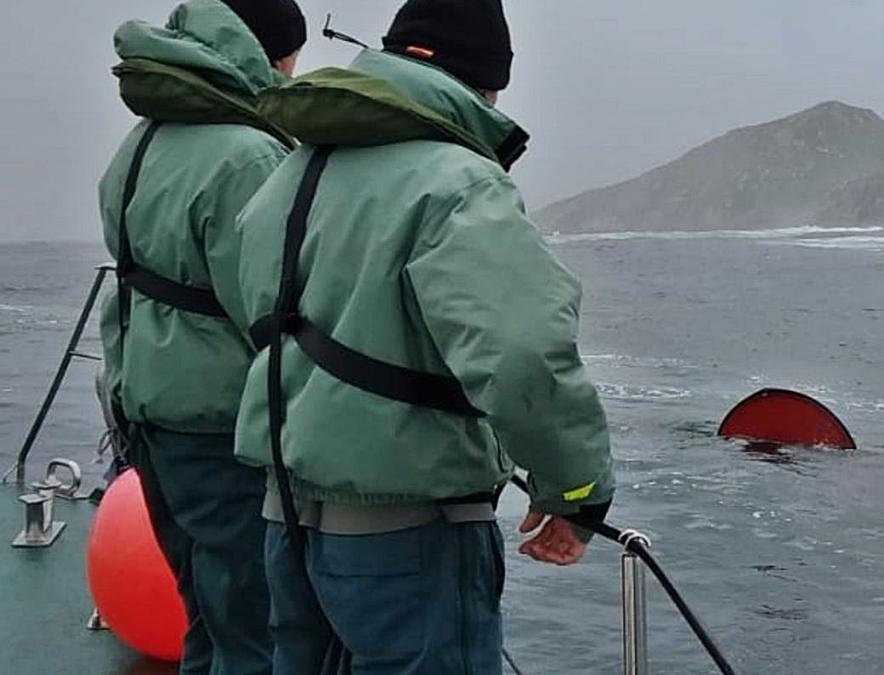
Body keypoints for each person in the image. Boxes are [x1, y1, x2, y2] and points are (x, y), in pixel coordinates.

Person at [232, 1, 616, 672]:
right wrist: (576, 491)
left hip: (286, 521)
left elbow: (259, 318)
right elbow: (523, 354)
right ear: (486, 87)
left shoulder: (289, 177)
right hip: (409, 539)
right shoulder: (458, 183)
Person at [97, 1, 306, 673]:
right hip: (220, 430)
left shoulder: (141, 142)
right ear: (271, 56)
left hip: (148, 415)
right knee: (253, 631)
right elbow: (270, 308)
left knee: (206, 619)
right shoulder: (248, 155)